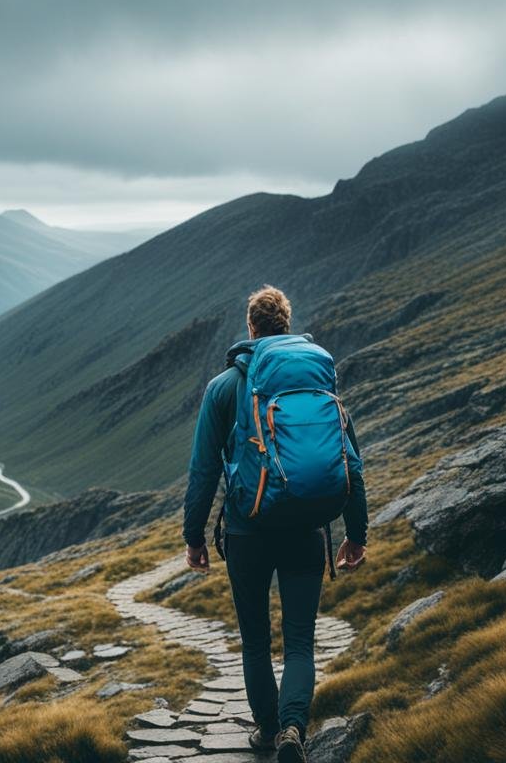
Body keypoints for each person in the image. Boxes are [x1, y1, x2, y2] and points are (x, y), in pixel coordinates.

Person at [182, 285, 368, 763]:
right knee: (301, 640)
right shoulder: (319, 383)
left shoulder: (224, 387)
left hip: (248, 532)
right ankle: (293, 729)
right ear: (286, 324)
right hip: (307, 528)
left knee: (256, 640)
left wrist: (194, 538)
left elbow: (203, 470)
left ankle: (266, 730)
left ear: (251, 328)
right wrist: (356, 535)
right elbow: (350, 462)